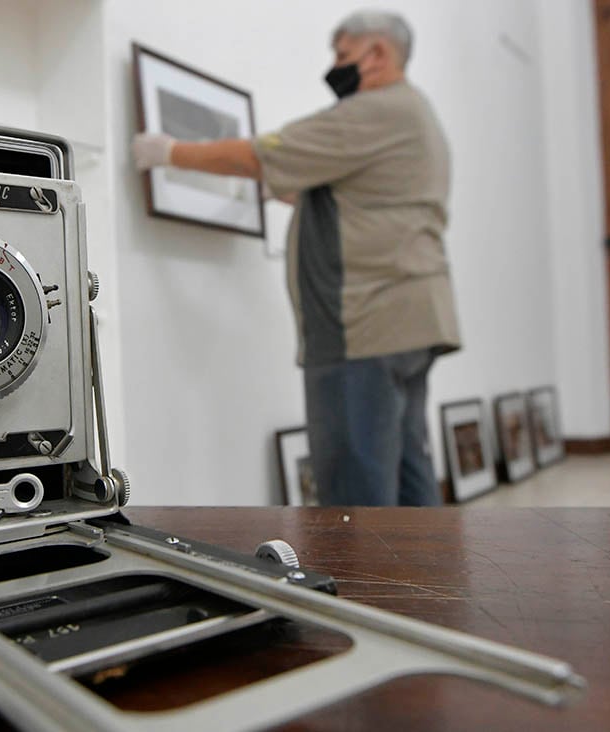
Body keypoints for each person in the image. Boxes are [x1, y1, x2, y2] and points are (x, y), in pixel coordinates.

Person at [132, 10, 460, 506]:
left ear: (377, 54)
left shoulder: (375, 110)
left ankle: (362, 585)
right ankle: (425, 582)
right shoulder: (416, 113)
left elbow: (259, 154)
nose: (335, 65)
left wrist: (171, 153)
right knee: (407, 469)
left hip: (364, 324)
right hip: (411, 321)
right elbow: (360, 196)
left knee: (356, 491)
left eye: (343, 55)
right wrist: (289, 194)